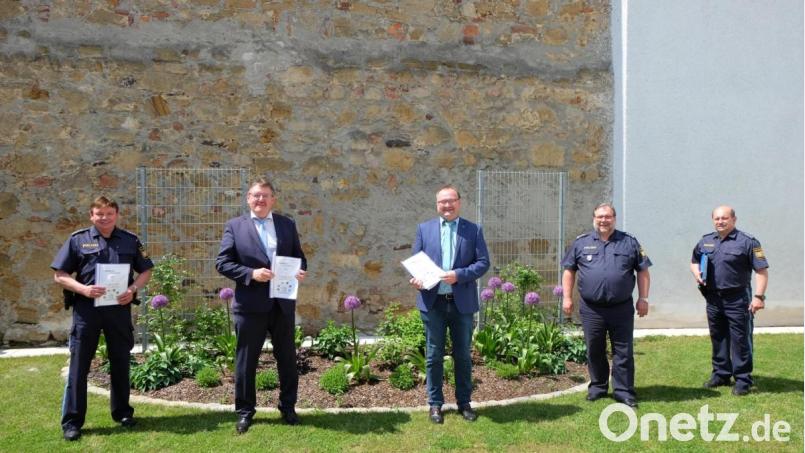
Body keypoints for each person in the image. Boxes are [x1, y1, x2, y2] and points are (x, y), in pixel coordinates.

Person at [51, 196, 153, 441]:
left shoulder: (130, 240)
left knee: (121, 362)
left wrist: (132, 290)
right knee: (79, 366)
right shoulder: (78, 240)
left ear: (116, 215)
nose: (104, 218)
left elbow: (146, 270)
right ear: (91, 216)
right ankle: (73, 422)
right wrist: (83, 289)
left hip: (118, 310)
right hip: (87, 310)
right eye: (99, 214)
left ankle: (123, 413)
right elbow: (60, 274)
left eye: (109, 213)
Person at [216, 177, 307, 433]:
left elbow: (299, 258)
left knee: (287, 359)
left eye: (265, 195)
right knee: (246, 361)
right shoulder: (235, 226)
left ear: (273, 199)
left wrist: (300, 271)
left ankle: (288, 407)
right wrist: (251, 274)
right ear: (248, 198)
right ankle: (245, 412)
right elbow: (222, 262)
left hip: (282, 304)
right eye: (256, 195)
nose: (260, 200)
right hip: (250, 305)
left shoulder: (287, 224)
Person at [409, 185, 490, 424]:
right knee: (433, 355)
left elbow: (483, 263)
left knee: (463, 355)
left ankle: (464, 403)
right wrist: (416, 280)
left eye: (451, 201)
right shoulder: (424, 229)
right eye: (442, 202)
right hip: (432, 303)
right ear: (437, 205)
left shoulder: (473, 230)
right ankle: (435, 404)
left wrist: (459, 274)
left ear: (459, 202)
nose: (447, 205)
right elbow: (416, 263)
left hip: (461, 304)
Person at [561, 203, 650, 408]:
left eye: (608, 216)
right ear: (594, 218)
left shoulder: (629, 242)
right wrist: (567, 298)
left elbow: (643, 271)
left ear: (614, 219)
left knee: (623, 350)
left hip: (621, 307)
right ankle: (598, 388)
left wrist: (643, 298)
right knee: (594, 349)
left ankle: (624, 391)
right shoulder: (581, 243)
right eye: (600, 216)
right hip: (592, 308)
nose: (603, 220)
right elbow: (569, 270)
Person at [690, 205, 768, 396]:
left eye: (724, 218)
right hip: (713, 298)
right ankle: (721, 374)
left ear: (734, 219)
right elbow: (694, 260)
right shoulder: (706, 241)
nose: (720, 222)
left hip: (738, 298)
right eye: (717, 218)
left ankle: (742, 379)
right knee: (718, 337)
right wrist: (697, 273)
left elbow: (761, 270)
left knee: (740, 339)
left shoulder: (748, 242)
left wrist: (759, 297)